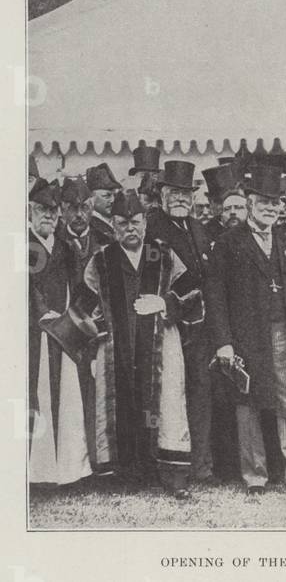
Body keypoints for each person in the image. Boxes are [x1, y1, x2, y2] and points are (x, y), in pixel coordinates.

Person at [204, 164, 286, 496]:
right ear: (250, 202)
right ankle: (254, 476)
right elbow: (216, 298)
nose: (271, 208)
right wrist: (224, 343)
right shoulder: (227, 243)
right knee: (249, 404)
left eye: (276, 203)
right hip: (247, 337)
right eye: (264, 202)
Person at [74, 191, 201, 498]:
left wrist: (165, 302)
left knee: (165, 405)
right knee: (122, 406)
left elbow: (193, 293)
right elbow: (82, 308)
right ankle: (125, 473)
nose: (130, 229)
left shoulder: (163, 254)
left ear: (145, 222)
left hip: (161, 346)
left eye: (136, 222)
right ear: (113, 225)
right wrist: (97, 340)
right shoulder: (102, 260)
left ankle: (171, 475)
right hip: (115, 350)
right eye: (122, 223)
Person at [144, 160, 214, 484]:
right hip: (168, 325)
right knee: (170, 398)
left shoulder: (196, 227)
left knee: (201, 394)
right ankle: (170, 468)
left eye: (186, 193)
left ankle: (201, 467)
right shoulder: (152, 227)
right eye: (174, 192)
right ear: (161, 194)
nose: (181, 198)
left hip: (199, 326)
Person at [28, 178, 92, 487]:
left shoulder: (67, 249)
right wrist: (42, 314)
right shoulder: (25, 245)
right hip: (35, 336)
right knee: (35, 398)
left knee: (67, 398)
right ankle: (37, 472)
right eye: (42, 210)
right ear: (30, 211)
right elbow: (27, 286)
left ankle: (68, 470)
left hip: (64, 334)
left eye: (53, 211)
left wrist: (73, 320)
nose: (48, 217)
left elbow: (81, 288)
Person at [57, 176, 103, 286]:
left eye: (84, 207)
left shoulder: (105, 240)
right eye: (73, 208)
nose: (79, 214)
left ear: (92, 209)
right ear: (63, 211)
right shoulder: (55, 242)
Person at [85, 162, 122, 247]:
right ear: (91, 198)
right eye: (107, 196)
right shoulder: (89, 225)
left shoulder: (115, 220)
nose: (113, 200)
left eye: (115, 195)